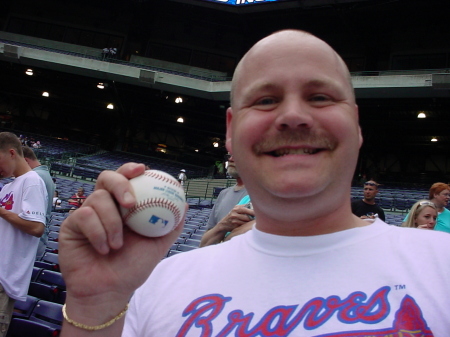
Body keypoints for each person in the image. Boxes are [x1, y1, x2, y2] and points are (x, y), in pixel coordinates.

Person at [59, 30, 450, 336]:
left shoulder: (441, 263)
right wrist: (95, 306)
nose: (293, 116)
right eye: (265, 100)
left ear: (356, 124)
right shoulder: (159, 283)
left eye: (319, 97)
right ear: (231, 131)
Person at [0, 132, 47, 337]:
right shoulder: (9, 185)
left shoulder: (33, 181)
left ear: (11, 153)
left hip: (4, 278)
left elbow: (37, 227)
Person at [200, 153, 254, 247]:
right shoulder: (223, 194)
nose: (231, 159)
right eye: (229, 156)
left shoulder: (266, 195)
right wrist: (223, 225)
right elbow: (204, 245)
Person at [22, 146, 56, 260]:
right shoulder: (43, 174)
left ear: (25, 161)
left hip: (31, 241)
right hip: (37, 240)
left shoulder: (36, 177)